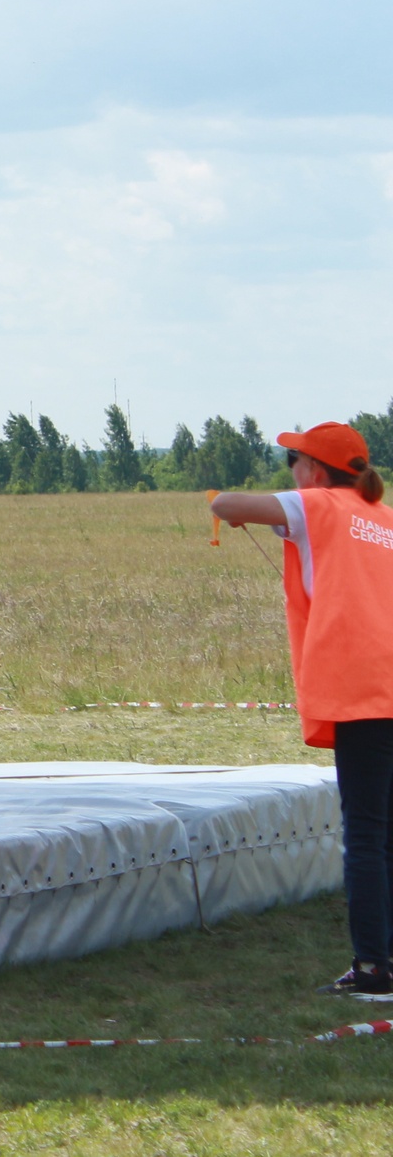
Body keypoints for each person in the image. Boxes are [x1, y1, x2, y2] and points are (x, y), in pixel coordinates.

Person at [212, 422, 393, 1001]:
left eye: (292, 458)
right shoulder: (384, 520)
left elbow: (223, 502)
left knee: (365, 834)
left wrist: (257, 511)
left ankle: (372, 969)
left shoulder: (317, 504)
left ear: (314, 470)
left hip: (363, 690)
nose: (289, 466)